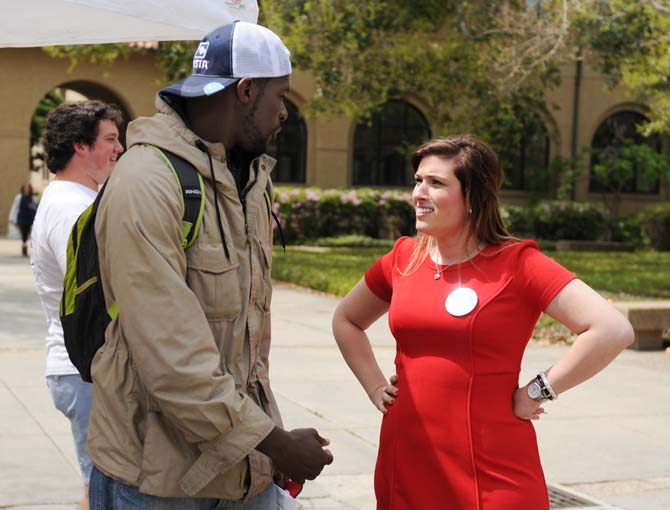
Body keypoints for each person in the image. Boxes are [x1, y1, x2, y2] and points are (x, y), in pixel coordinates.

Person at [87, 21, 333, 509]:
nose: (285, 112)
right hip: (156, 480)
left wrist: (266, 446)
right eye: (280, 97)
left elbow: (245, 341)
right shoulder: (146, 182)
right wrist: (276, 443)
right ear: (245, 91)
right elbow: (171, 357)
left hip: (244, 468)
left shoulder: (249, 177)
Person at [332, 135, 635, 510]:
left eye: (436, 183)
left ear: (473, 196)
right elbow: (346, 319)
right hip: (407, 460)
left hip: (492, 470)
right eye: (418, 180)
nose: (418, 193)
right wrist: (375, 385)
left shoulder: (518, 263)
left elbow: (611, 329)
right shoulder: (403, 258)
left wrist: (538, 391)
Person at [31, 100, 124, 510]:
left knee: (98, 487)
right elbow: (102, 292)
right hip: (86, 370)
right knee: (106, 491)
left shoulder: (73, 199)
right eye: (110, 139)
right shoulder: (73, 207)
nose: (119, 148)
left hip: (79, 369)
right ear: (79, 146)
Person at [15, 182, 38, 256]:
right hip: (22, 218)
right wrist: (13, 218)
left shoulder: (33, 198)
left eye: (28, 188)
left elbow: (36, 208)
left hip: (31, 218)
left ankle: (28, 247)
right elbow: (15, 208)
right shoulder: (19, 197)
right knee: (24, 233)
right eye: (25, 188)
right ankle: (24, 246)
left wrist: (32, 207)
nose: (27, 190)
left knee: (30, 233)